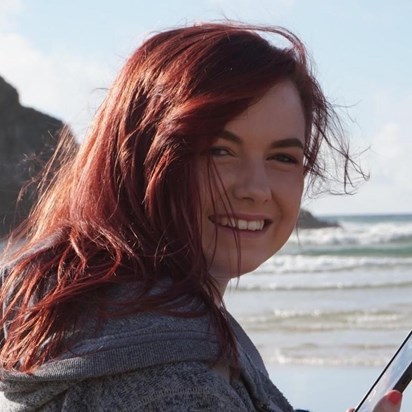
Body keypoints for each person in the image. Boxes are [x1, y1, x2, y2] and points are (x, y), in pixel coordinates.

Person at [0, 22, 402, 412]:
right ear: (140, 156)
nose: (256, 188)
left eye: (283, 157)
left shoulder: (113, 314)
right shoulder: (168, 384)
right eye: (219, 150)